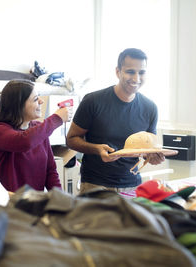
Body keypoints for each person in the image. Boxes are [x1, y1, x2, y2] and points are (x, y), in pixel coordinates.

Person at [66, 48, 165, 194]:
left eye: (142, 72)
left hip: (133, 185)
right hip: (95, 185)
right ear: (118, 72)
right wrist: (97, 149)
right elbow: (71, 139)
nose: (137, 78)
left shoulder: (150, 108)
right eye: (130, 71)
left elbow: (146, 149)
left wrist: (151, 157)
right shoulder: (93, 101)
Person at [0, 79, 70, 192]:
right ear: (18, 105)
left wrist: (60, 200)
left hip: (34, 204)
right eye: (35, 99)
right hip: (8, 205)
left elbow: (50, 171)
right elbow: (25, 142)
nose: (41, 101)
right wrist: (56, 119)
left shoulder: (39, 129)